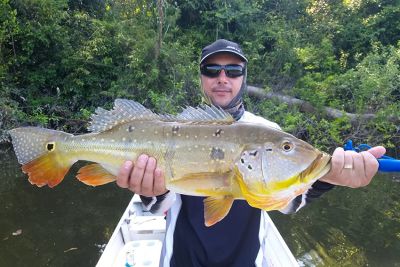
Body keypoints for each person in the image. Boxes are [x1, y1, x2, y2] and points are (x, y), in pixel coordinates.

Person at [116, 39, 386, 266]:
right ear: (201, 77)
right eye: (212, 69)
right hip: (182, 258)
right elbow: (159, 206)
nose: (223, 78)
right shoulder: (174, 128)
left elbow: (287, 202)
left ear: (244, 77)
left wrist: (328, 178)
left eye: (233, 70)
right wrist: (151, 190)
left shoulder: (268, 130)